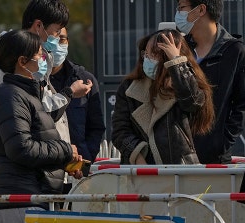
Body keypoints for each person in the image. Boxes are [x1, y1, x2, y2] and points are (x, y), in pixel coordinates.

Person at [0, 30, 81, 223]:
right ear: (22, 61)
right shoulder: (10, 96)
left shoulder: (26, 94)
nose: (44, 59)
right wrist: (65, 150)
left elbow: (38, 141)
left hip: (36, 198)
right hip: (24, 201)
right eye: (39, 55)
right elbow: (21, 148)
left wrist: (66, 161)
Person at [112, 29, 214, 165]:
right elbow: (119, 130)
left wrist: (177, 63)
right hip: (138, 172)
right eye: (145, 53)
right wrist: (137, 156)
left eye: (154, 54)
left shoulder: (185, 84)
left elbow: (193, 102)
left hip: (178, 172)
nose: (147, 58)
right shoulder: (129, 88)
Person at [177, 0, 245, 164]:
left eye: (182, 8)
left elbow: (241, 105)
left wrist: (222, 142)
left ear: (201, 9)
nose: (178, 13)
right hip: (177, 156)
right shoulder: (179, 49)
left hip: (215, 159)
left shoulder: (234, 51)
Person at [49, 27, 105, 162]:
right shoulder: (34, 80)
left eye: (62, 39)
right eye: (52, 40)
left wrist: (86, 157)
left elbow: (96, 127)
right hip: (48, 166)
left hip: (78, 169)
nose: (58, 45)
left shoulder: (84, 79)